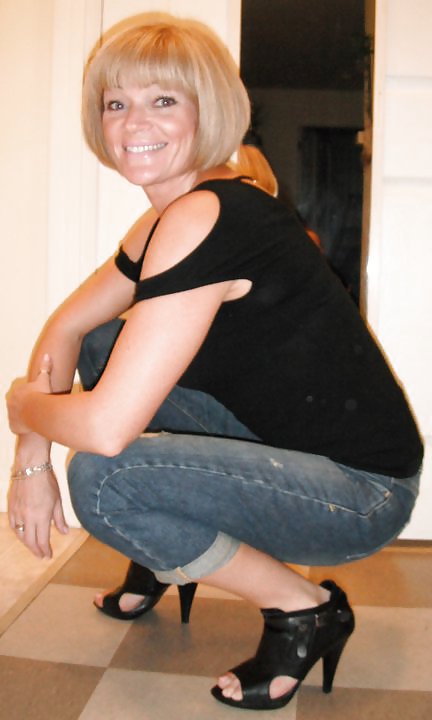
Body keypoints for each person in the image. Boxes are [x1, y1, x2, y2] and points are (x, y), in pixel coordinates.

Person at [6, 17, 422, 712]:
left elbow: (106, 430)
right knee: (106, 346)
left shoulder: (206, 216)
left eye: (164, 100)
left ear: (210, 111)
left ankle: (305, 611)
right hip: (288, 449)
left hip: (359, 492)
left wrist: (24, 410)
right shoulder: (169, 217)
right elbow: (71, 327)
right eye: (117, 102)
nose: (134, 122)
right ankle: (164, 551)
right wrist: (29, 454)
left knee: (104, 481)